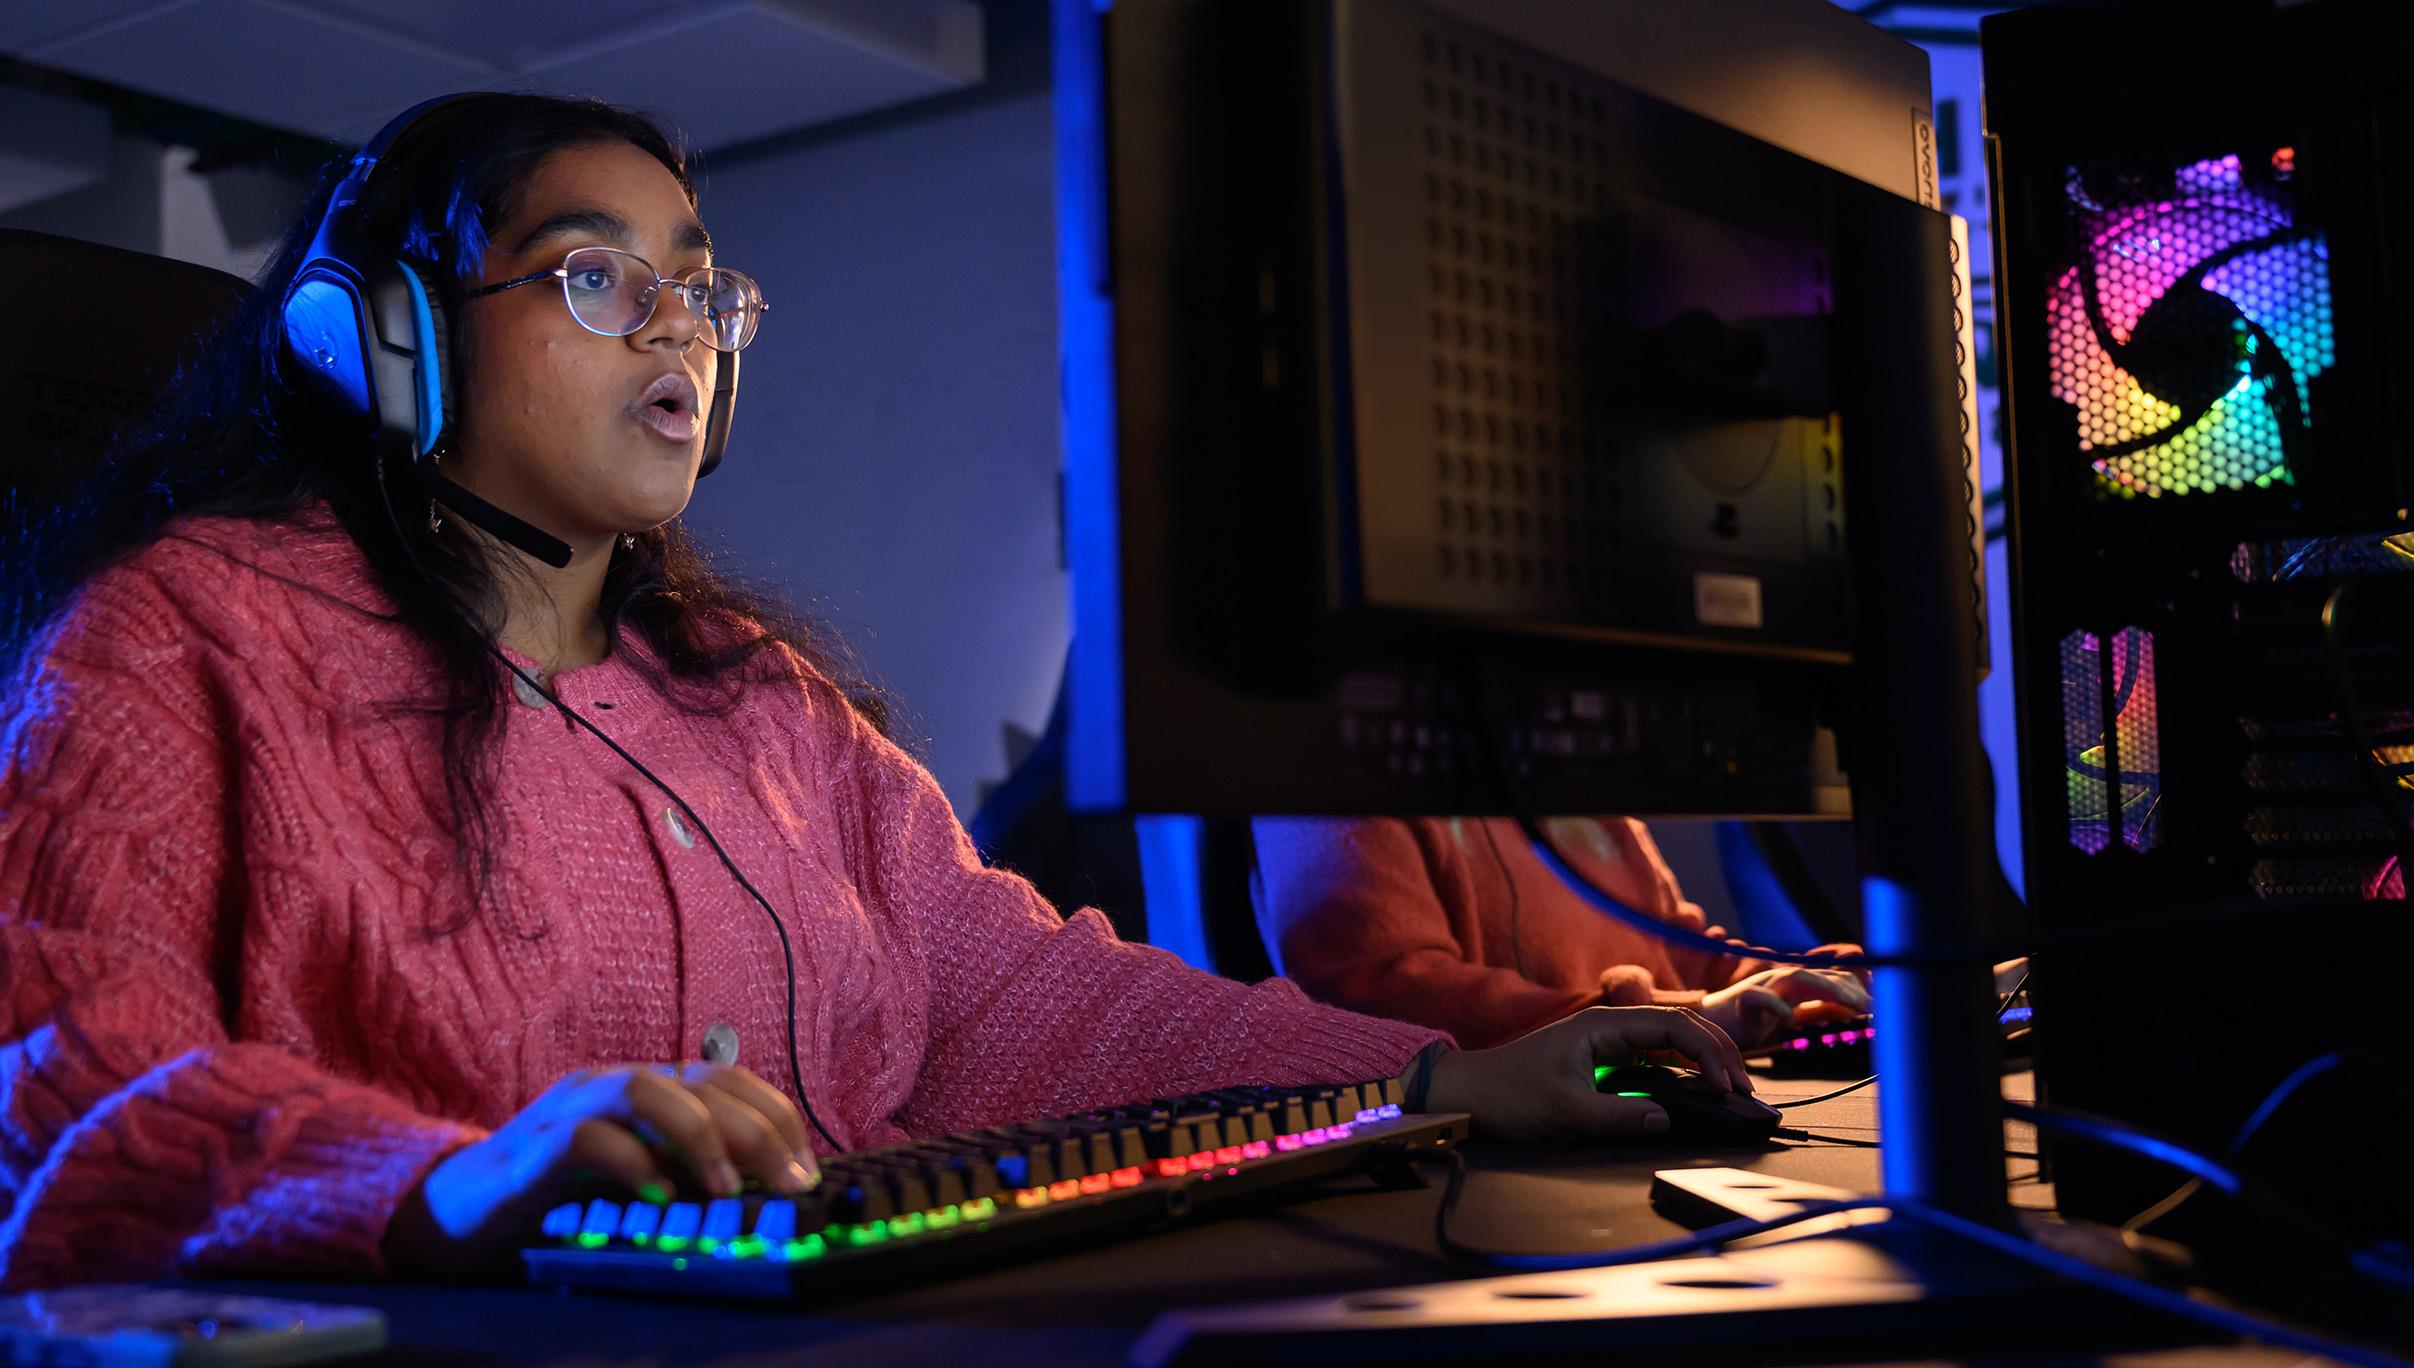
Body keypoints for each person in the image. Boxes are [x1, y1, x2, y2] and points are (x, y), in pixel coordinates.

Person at [0, 94, 1761, 1290]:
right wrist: (447, 1179)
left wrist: (1451, 1075)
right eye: (599, 275)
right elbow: (61, 1087)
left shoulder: (754, 700)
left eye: (702, 288)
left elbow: (1014, 996)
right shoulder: (177, 637)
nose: (678, 327)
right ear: (379, 337)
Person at [1251, 816, 1875, 1050]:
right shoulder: (1342, 774)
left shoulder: (1581, 786)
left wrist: (1802, 982)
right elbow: (1387, 997)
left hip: (1637, 1120)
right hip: (1495, 1173)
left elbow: (1693, 958)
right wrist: (1691, 1018)